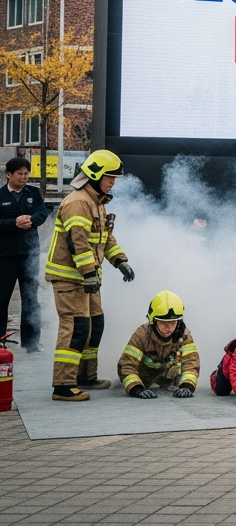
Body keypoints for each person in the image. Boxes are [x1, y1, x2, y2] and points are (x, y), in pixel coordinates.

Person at [45, 150, 135, 401]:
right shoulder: (78, 202)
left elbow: (104, 238)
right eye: (110, 177)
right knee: (75, 328)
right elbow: (78, 243)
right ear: (95, 175)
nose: (113, 182)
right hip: (72, 278)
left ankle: (85, 376)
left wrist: (120, 261)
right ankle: (63, 385)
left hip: (88, 278)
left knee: (95, 325)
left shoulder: (97, 202)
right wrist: (87, 273)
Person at [0, 157, 49, 353]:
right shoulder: (1, 195)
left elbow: (42, 212)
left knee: (30, 299)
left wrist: (32, 220)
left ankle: (31, 343)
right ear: (8, 174)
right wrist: (14, 223)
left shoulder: (33, 193)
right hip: (6, 255)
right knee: (2, 299)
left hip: (29, 254)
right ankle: (0, 340)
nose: (24, 177)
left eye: (26, 173)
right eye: (20, 173)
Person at [117, 291, 200, 398]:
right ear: (153, 320)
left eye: (173, 322)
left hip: (169, 379)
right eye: (163, 322)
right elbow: (127, 364)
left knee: (178, 364)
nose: (168, 327)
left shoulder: (184, 336)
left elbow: (191, 362)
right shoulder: (142, 335)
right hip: (143, 379)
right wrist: (136, 388)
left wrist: (187, 386)